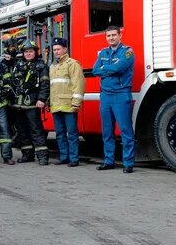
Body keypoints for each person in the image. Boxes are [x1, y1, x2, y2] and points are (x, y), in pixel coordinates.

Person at [92, 25, 136, 173]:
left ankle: (128, 163)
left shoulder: (127, 52)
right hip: (105, 96)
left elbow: (120, 67)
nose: (111, 38)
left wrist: (105, 69)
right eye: (108, 36)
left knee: (125, 131)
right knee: (107, 131)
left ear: (120, 36)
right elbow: (95, 70)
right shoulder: (103, 53)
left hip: (121, 94)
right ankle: (109, 161)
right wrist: (109, 68)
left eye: (113, 35)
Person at [9, 39, 51, 165]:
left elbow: (45, 84)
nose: (28, 54)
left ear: (35, 52)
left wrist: (42, 99)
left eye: (31, 51)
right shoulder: (17, 65)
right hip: (18, 104)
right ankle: (27, 155)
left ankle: (43, 157)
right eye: (26, 52)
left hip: (32, 103)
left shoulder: (41, 66)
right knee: (22, 131)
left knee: (36, 130)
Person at [48, 38, 84, 167]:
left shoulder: (73, 64)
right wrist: (49, 103)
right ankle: (64, 157)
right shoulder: (52, 66)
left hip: (69, 105)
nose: (56, 52)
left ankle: (74, 159)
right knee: (60, 134)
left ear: (65, 49)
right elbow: (51, 87)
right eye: (54, 50)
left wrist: (76, 102)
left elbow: (78, 84)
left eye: (58, 49)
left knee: (72, 134)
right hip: (56, 105)